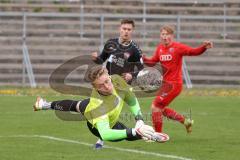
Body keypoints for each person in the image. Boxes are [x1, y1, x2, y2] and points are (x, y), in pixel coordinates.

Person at [33, 66, 169, 148]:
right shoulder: (97, 106)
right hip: (97, 125)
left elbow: (130, 98)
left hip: (99, 106)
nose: (107, 86)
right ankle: (148, 135)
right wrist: (135, 132)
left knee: (76, 105)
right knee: (124, 132)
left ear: (109, 75)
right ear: (94, 87)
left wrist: (139, 119)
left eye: (106, 81)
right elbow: (105, 134)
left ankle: (44, 104)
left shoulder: (116, 79)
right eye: (100, 86)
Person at [143, 25, 213, 134]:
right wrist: (144, 59)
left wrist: (203, 47)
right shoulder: (160, 48)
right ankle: (185, 121)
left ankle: (158, 135)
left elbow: (193, 51)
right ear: (160, 35)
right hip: (165, 85)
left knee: (155, 107)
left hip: (175, 84)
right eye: (163, 34)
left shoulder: (177, 47)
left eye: (167, 34)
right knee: (160, 109)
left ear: (172, 36)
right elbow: (153, 62)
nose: (165, 37)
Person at [91, 19, 143, 84]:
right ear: (120, 29)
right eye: (124, 29)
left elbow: (142, 70)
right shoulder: (111, 43)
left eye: (129, 29)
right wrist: (95, 59)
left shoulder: (135, 49)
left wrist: (132, 75)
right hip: (109, 83)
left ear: (132, 31)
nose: (126, 31)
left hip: (124, 85)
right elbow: (101, 59)